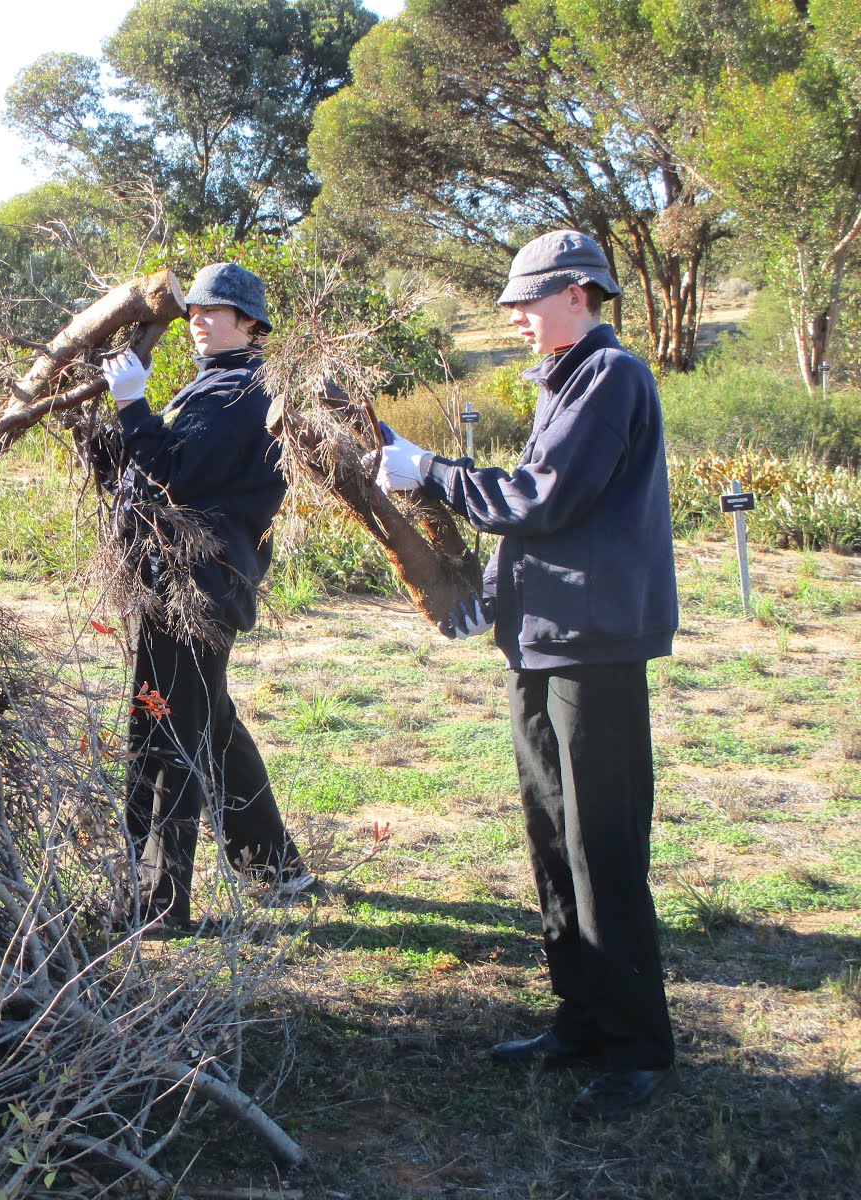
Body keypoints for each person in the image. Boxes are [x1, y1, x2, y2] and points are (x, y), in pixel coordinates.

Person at [371, 230, 680, 1119]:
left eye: (527, 299)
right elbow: (532, 522)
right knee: (552, 832)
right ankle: (579, 1018)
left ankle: (638, 1051)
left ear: (579, 294)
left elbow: (542, 498)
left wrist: (430, 470)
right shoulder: (566, 378)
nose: (512, 314)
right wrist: (487, 599)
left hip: (597, 644)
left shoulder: (609, 378)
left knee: (603, 845)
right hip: (542, 639)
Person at [94, 261, 315, 935]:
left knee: (170, 734)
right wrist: (109, 421)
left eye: (213, 312)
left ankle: (163, 904)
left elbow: (175, 479)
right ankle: (275, 867)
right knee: (208, 722)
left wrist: (135, 406)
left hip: (197, 585)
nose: (197, 320)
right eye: (193, 311)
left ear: (250, 324)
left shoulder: (240, 393)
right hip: (187, 582)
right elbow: (142, 469)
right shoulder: (211, 386)